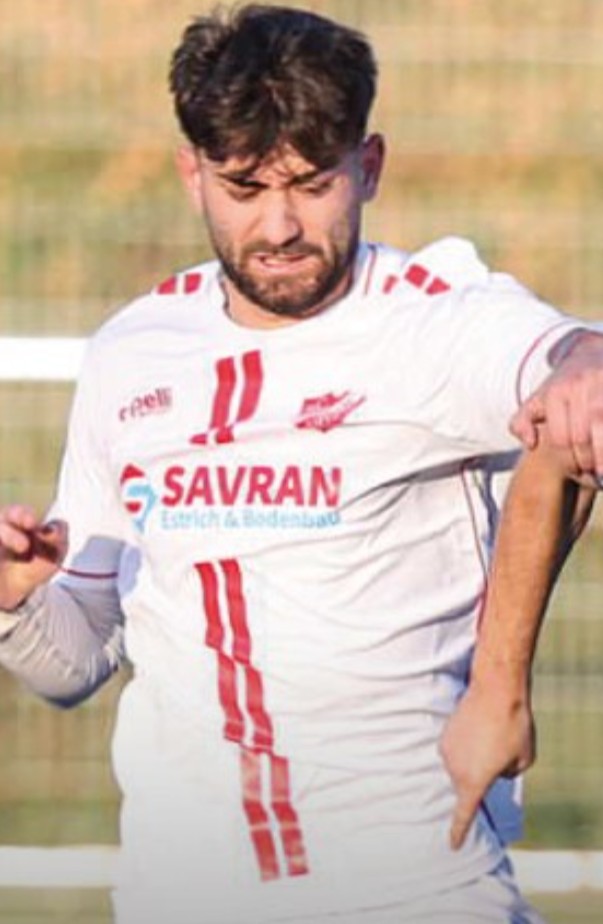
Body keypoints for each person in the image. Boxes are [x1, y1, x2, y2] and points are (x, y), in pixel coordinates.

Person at [1, 5, 603, 922]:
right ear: (193, 176)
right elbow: (73, 663)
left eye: (312, 185)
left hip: (414, 879)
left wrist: (500, 686)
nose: (279, 225)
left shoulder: (433, 319)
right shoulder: (134, 350)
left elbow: (570, 389)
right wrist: (16, 602)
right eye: (243, 188)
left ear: (369, 166)